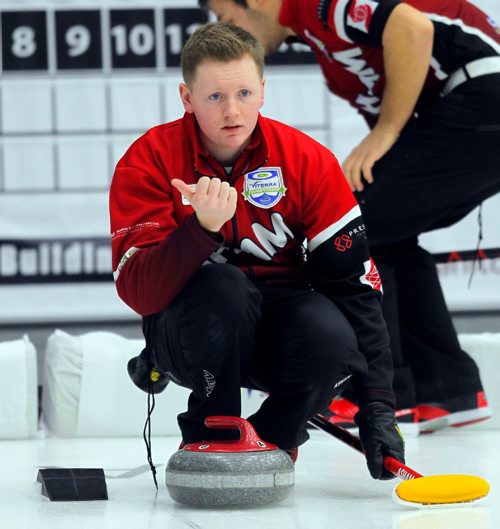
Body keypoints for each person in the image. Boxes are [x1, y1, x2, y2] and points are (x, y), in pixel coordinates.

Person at [109, 22, 404, 479]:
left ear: (263, 91)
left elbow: (357, 290)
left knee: (331, 335)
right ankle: (212, 436)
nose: (232, 111)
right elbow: (141, 293)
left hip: (275, 326)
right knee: (224, 287)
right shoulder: (148, 159)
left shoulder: (308, 161)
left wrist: (379, 407)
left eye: (244, 93)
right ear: (187, 99)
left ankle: (271, 439)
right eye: (214, 97)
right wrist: (201, 230)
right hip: (187, 330)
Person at [201, 0, 499, 433]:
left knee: (355, 228)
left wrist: (386, 133)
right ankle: (446, 387)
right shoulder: (322, 45)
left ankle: (384, 395)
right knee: (388, 228)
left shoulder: (314, 5)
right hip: (471, 106)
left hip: (483, 94)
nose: (229, 30)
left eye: (226, 14)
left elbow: (411, 28)